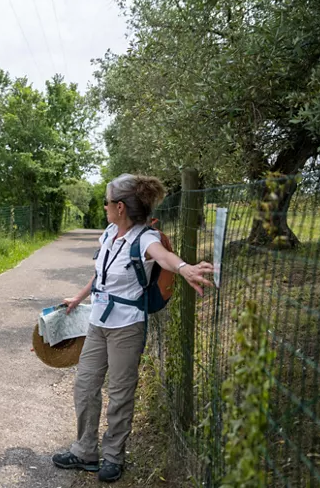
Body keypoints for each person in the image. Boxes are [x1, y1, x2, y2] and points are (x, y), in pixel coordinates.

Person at [51, 173, 214, 483]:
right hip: (98, 322)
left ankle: (113, 456)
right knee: (85, 386)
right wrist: (79, 297)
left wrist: (184, 268)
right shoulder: (109, 233)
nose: (104, 207)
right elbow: (100, 274)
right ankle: (85, 450)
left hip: (127, 326)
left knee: (121, 392)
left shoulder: (144, 238)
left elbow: (163, 257)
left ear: (121, 206)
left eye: (107, 202)